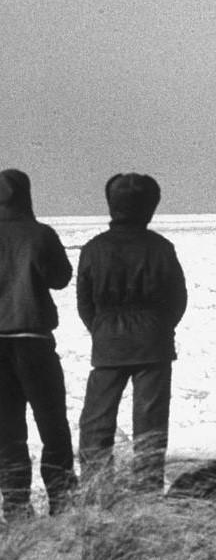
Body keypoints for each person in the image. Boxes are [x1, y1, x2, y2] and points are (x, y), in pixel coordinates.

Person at [0, 169, 76, 520]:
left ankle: (16, 505)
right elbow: (61, 278)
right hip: (35, 343)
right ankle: (62, 500)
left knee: (7, 432)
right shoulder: (40, 235)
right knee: (53, 426)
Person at [77, 173, 187, 494]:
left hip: (108, 343)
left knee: (96, 422)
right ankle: (148, 491)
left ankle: (96, 490)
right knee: (150, 425)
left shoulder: (93, 249)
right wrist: (159, 327)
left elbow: (85, 302)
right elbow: (177, 299)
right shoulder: (162, 248)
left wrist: (102, 329)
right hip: (153, 344)